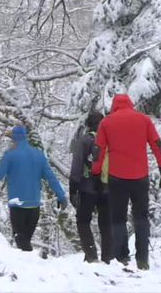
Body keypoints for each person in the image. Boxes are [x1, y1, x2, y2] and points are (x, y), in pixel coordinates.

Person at [92, 94, 161, 270]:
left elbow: (98, 151)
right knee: (141, 218)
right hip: (140, 177)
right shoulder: (143, 120)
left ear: (114, 106)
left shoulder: (106, 122)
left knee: (118, 218)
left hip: (116, 177)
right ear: (131, 104)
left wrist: (96, 174)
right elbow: (158, 145)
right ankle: (142, 259)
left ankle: (122, 257)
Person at [0, 125, 68, 252]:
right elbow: (51, 178)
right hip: (34, 206)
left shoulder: (10, 155)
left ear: (14, 139)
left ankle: (33, 265)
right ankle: (28, 267)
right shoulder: (38, 154)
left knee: (21, 241)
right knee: (25, 241)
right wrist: (61, 196)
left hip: (17, 204)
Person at [69, 111, 112, 263]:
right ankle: (108, 257)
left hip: (88, 188)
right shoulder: (110, 140)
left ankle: (91, 254)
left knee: (83, 221)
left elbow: (77, 165)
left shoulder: (85, 140)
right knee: (106, 223)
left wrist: (73, 187)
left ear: (88, 125)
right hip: (108, 188)